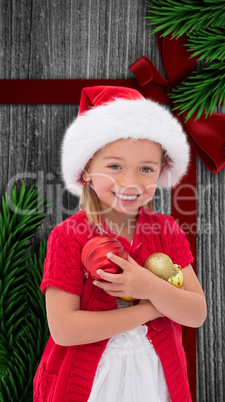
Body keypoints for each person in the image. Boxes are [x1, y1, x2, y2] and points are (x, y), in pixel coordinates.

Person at [33, 86, 207, 402]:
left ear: (161, 171)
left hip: (154, 378)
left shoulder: (165, 231)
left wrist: (150, 287)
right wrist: (152, 309)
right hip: (91, 383)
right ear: (85, 169)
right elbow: (65, 329)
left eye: (146, 169)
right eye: (115, 166)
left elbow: (196, 312)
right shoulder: (69, 236)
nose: (131, 182)